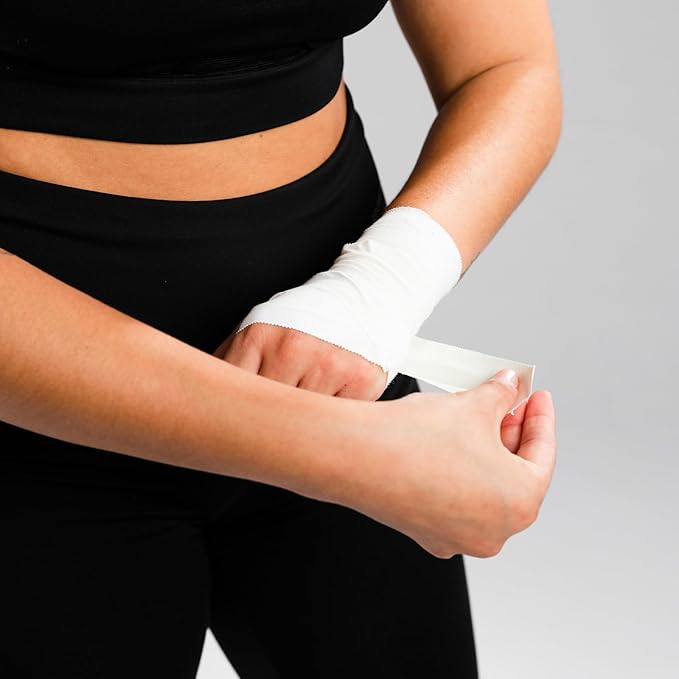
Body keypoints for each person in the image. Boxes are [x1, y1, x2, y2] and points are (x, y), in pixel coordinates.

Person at [0, 1, 561, 677]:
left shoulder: (349, 349)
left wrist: (377, 289)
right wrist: (341, 452)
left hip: (337, 369)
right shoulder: (355, 451)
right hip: (36, 433)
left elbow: (504, 66)